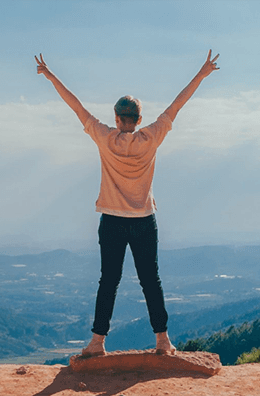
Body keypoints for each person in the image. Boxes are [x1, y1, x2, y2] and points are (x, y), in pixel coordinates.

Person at [35, 50, 219, 356]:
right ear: (139, 120)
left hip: (112, 220)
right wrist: (202, 73)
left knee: (108, 281)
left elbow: (76, 107)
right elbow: (177, 105)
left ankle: (97, 342)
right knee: (151, 281)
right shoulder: (152, 137)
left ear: (117, 119)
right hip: (144, 219)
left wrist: (52, 76)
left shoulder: (105, 137)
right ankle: (163, 341)